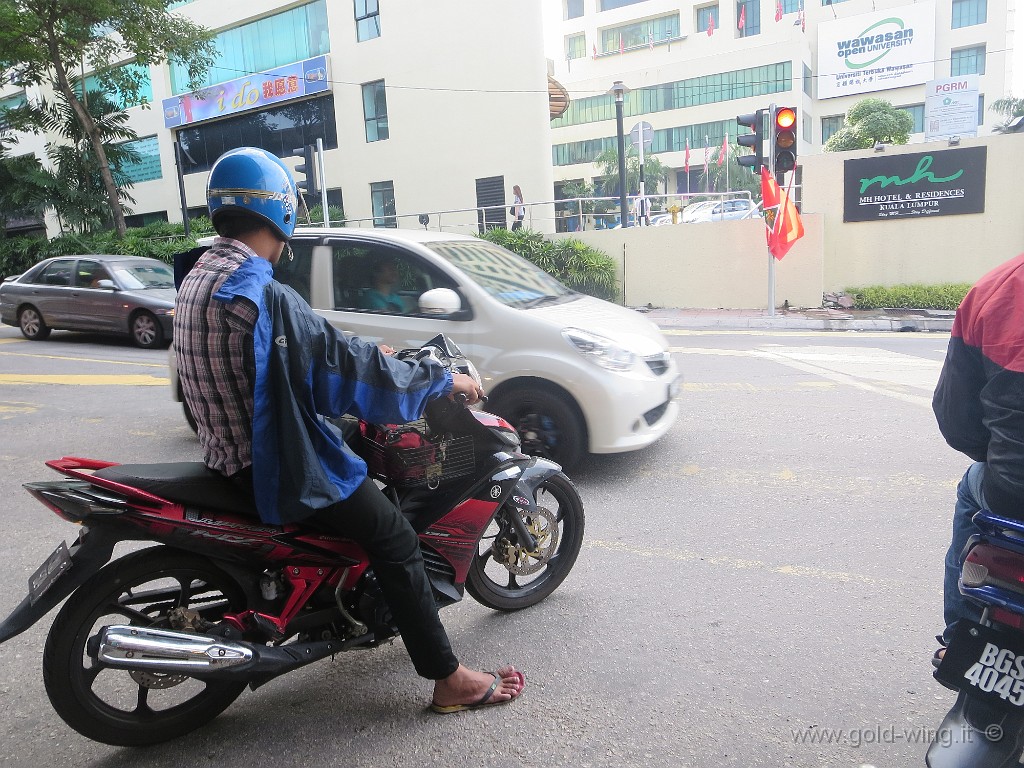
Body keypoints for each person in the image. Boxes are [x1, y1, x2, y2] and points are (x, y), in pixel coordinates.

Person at [174, 147, 525, 713]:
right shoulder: (262, 295)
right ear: (281, 210)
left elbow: (308, 359)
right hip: (273, 463)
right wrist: (439, 380)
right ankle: (448, 678)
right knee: (394, 538)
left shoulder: (197, 277)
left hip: (226, 450)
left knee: (352, 433)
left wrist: (361, 358)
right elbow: (351, 369)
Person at [932, 252, 1024, 662]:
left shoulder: (1002, 286)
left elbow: (957, 422)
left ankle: (961, 641)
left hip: (1014, 495)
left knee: (975, 483)